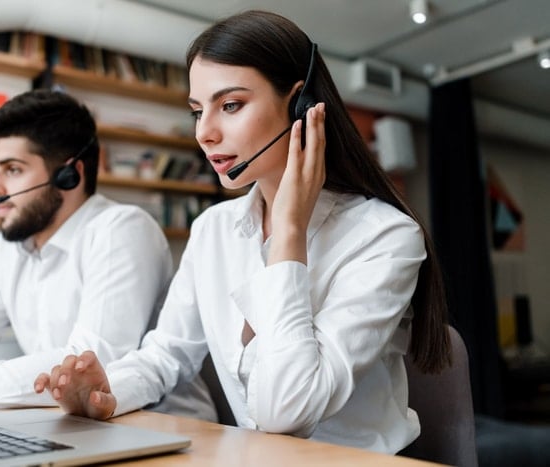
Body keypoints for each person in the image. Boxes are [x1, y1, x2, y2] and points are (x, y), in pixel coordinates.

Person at [34, 10, 452, 454]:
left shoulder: (385, 237)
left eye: (230, 105)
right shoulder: (213, 229)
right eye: (198, 111)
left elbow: (285, 411)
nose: (205, 133)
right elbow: (167, 355)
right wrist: (106, 392)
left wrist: (289, 232)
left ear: (301, 106)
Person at [0, 89, 216, 421]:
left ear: (70, 175)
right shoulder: (6, 248)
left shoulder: (121, 229)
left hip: (168, 427)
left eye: (12, 169)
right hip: (74, 424)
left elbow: (89, 362)